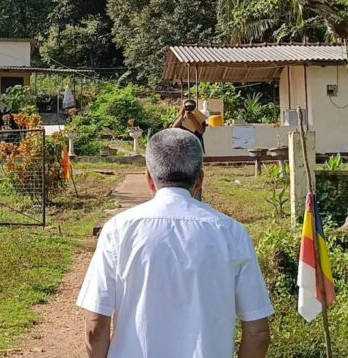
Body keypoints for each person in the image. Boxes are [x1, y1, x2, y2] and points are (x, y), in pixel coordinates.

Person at [77, 129, 273, 358]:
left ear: (149, 179)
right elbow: (258, 333)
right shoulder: (232, 233)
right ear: (200, 180)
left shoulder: (118, 230)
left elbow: (95, 327)